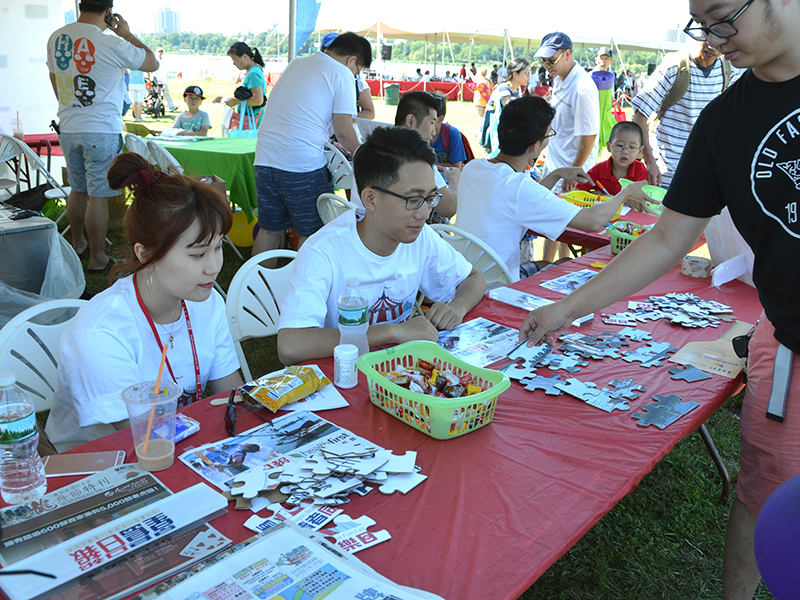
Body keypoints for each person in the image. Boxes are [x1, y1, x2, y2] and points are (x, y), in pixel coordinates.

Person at [520, 1, 800, 598]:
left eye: (722, 16)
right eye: (701, 24)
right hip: (791, 346)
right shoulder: (724, 121)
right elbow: (669, 236)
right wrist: (566, 307)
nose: (711, 38)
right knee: (766, 494)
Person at [46, 153, 242, 452]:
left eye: (218, 247)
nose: (214, 266)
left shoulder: (206, 300)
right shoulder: (101, 333)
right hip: (102, 465)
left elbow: (232, 398)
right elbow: (144, 441)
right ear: (145, 254)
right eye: (198, 254)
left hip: (181, 447)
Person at [276, 126, 486, 366]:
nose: (425, 213)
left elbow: (473, 279)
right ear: (370, 199)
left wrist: (457, 308)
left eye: (430, 199)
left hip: (401, 375)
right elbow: (290, 345)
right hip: (344, 378)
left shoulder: (420, 237)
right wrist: (393, 332)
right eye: (413, 200)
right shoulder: (323, 251)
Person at [457, 96, 651, 282]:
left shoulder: (474, 168)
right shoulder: (519, 188)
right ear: (534, 147)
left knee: (554, 263)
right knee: (570, 265)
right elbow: (592, 221)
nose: (549, 140)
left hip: (463, 275)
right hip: (497, 283)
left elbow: (524, 200)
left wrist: (556, 174)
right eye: (549, 135)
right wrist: (626, 193)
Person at [47, 0, 158, 273]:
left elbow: (53, 77)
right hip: (100, 128)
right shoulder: (112, 43)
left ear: (81, 5)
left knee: (78, 189)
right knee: (98, 195)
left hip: (68, 124)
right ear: (108, 12)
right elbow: (152, 63)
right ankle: (98, 257)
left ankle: (78, 245)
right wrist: (126, 33)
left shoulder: (57, 37)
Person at [251, 32, 369, 257]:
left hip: (265, 158)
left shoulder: (298, 63)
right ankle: (305, 290)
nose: (355, 76)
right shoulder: (342, 73)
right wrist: (365, 154)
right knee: (311, 234)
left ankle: (258, 291)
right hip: (300, 164)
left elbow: (301, 114)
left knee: (269, 230)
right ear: (352, 59)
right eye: (358, 71)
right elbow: (344, 130)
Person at [631, 39, 736, 187]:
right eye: (708, 37)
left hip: (703, 175)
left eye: (720, 40)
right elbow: (639, 115)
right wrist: (650, 163)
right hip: (664, 175)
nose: (712, 46)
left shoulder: (729, 70)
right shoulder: (674, 66)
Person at [536, 31, 600, 262]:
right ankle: (547, 268)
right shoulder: (559, 79)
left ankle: (550, 270)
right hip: (555, 163)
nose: (547, 66)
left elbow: (589, 136)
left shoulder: (583, 87)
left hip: (571, 169)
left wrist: (574, 171)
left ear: (567, 54)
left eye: (551, 61)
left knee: (561, 229)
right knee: (553, 229)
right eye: (543, 61)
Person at [393, 91, 458, 219]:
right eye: (432, 123)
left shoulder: (370, 149)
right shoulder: (420, 161)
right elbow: (449, 208)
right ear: (410, 121)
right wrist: (454, 179)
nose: (433, 132)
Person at [576, 121, 648, 195]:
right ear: (609, 146)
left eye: (632, 147)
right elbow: (577, 191)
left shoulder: (640, 170)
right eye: (620, 145)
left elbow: (638, 199)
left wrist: (608, 199)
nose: (625, 151)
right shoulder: (598, 170)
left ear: (639, 151)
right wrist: (592, 196)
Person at [212, 42, 267, 131]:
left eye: (235, 59)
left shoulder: (253, 73)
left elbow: (258, 100)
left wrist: (236, 101)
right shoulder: (255, 70)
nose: (234, 63)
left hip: (253, 122)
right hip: (252, 120)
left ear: (245, 56)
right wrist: (225, 99)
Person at [481, 58, 531, 150]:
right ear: (515, 74)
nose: (529, 76)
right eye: (526, 72)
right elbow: (508, 104)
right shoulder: (503, 88)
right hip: (493, 136)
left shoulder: (515, 91)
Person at [431, 96, 467, 169]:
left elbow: (456, 166)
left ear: (440, 119)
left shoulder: (452, 134)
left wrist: (430, 165)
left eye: (430, 119)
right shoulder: (418, 133)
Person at [151, 47, 177, 111]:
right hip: (157, 80)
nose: (160, 52)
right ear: (157, 52)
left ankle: (171, 106)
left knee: (166, 93)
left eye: (161, 51)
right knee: (158, 95)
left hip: (163, 80)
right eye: (159, 51)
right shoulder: (155, 59)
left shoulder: (163, 60)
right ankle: (157, 107)